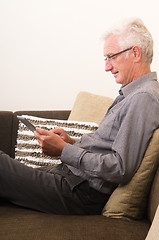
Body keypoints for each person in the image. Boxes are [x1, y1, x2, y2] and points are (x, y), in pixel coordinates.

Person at [1, 17, 159, 215]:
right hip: (72, 179)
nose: (107, 67)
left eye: (111, 56)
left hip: (80, 191)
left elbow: (120, 168)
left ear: (135, 53)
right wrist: (72, 143)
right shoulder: (132, 93)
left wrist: (65, 150)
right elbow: (107, 150)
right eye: (106, 59)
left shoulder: (143, 97)